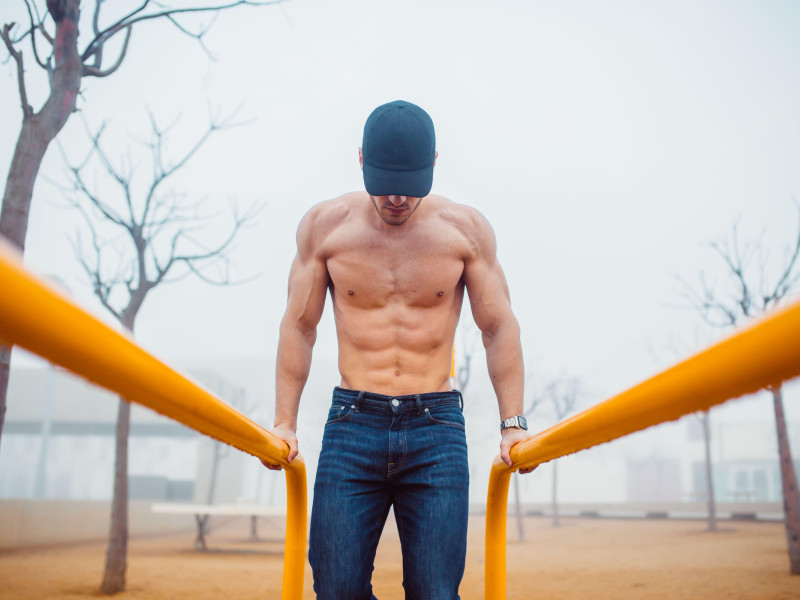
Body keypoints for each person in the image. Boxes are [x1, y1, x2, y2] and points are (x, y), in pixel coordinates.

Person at [261, 100, 532, 600]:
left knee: (435, 592)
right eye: (385, 181)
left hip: (436, 429)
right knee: (336, 589)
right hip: (353, 424)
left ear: (433, 165)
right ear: (362, 160)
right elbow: (299, 327)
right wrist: (284, 422)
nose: (397, 197)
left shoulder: (464, 230)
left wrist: (513, 425)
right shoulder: (326, 227)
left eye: (410, 183)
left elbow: (498, 327)